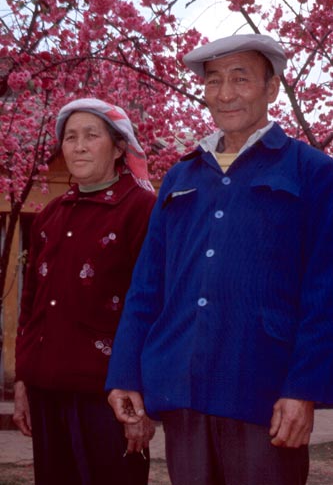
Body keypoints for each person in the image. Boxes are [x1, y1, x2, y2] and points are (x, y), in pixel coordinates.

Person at [106, 34, 333, 485]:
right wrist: (125, 372)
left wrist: (303, 388)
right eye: (214, 81)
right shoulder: (181, 175)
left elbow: (325, 291)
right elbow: (148, 286)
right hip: (182, 386)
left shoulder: (313, 172)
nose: (225, 93)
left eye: (240, 78)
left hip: (263, 392)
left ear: (271, 89)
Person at [13, 98, 156, 485]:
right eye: (70, 137)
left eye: (91, 136)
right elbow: (31, 306)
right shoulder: (49, 215)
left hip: (111, 395)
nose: (78, 146)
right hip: (47, 389)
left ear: (119, 147)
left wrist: (142, 395)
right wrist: (24, 379)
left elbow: (154, 305)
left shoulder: (142, 210)